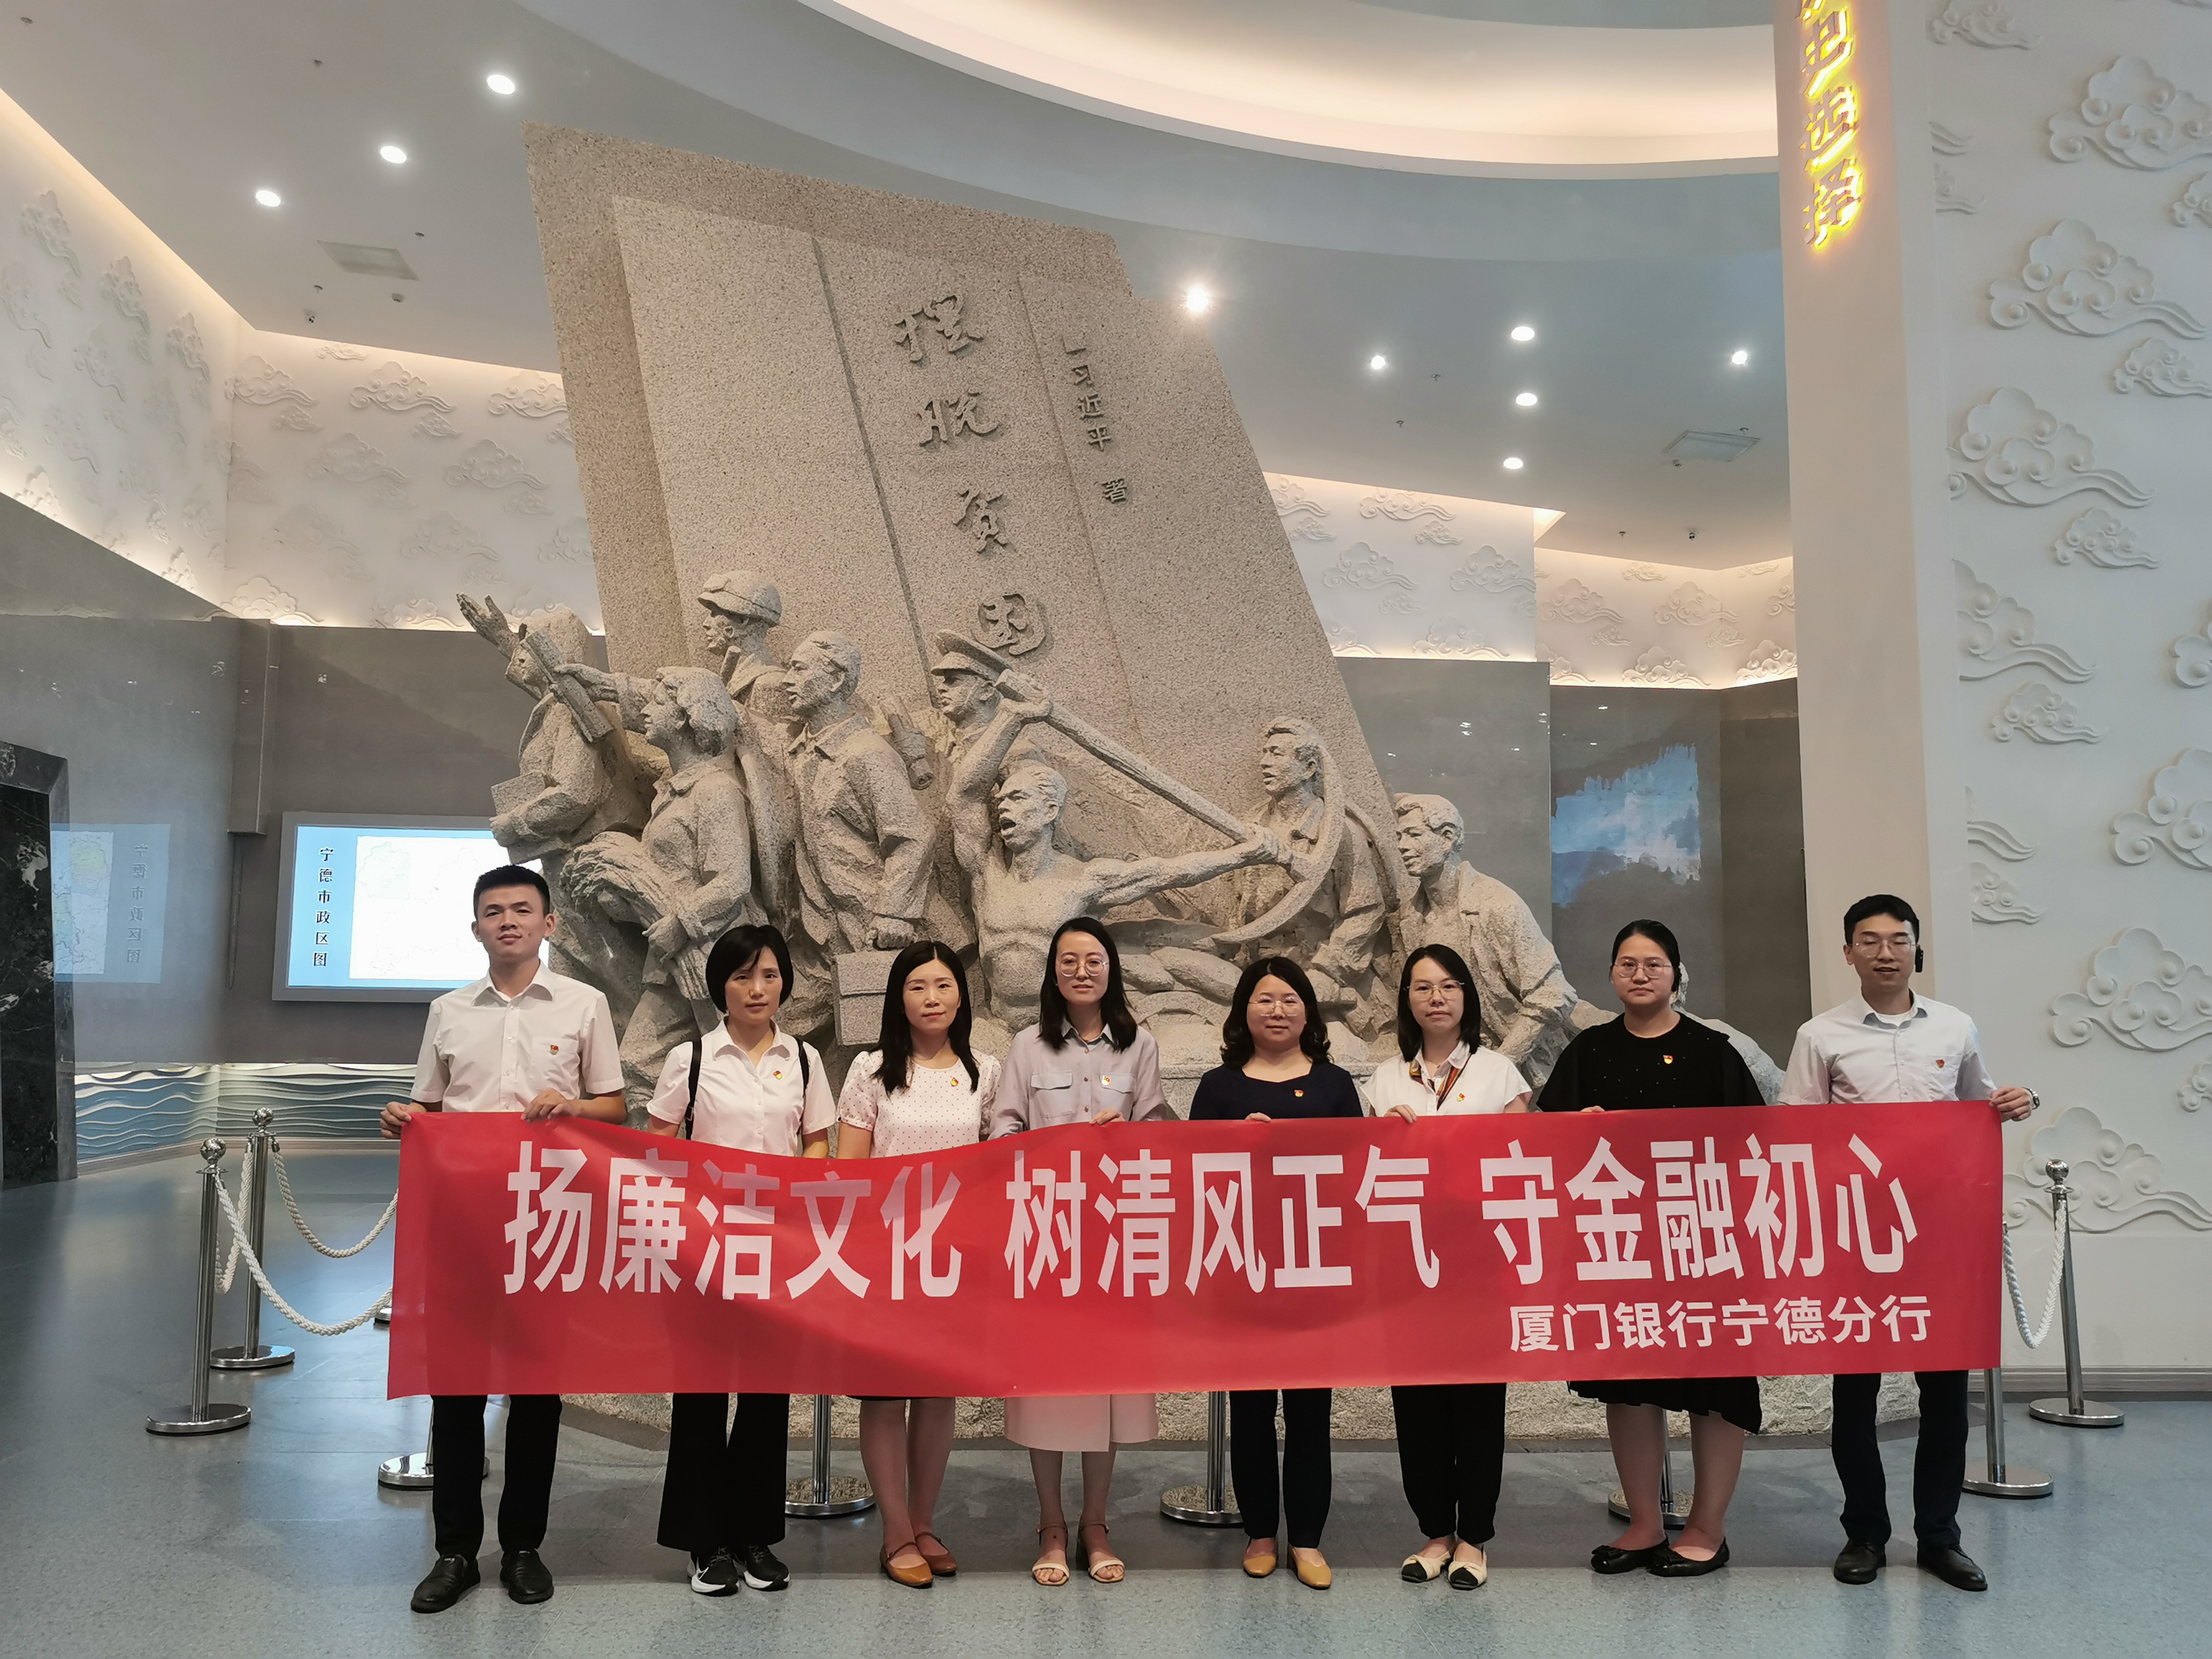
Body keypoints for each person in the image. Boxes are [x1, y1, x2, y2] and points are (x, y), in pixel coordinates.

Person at [379, 866, 626, 1615]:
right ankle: (455, 1551)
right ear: (476, 927)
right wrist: (403, 1119)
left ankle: (523, 1546)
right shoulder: (448, 1011)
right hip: (462, 1221)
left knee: (537, 1390)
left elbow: (615, 1106)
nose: (508, 921)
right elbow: (427, 1108)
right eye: (494, 912)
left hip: (546, 1221)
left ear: (549, 924)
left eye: (522, 909)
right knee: (455, 1388)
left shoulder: (583, 1004)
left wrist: (573, 1106)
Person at [1782, 894, 2038, 1594]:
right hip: (1857, 1236)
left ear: (1916, 948)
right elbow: (1796, 1132)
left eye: (1899, 939)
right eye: (1869, 940)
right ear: (1848, 953)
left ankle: (1939, 1538)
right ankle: (1865, 1532)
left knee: (1946, 1395)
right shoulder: (1820, 1035)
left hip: (1941, 1235)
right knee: (1855, 1394)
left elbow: (1979, 1106)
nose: (1886, 952)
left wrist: (2016, 1102)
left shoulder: (1955, 1027)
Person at [1537, 919, 1762, 1579]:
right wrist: (1575, 1132)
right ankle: (1643, 1523)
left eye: (1654, 964)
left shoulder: (1713, 1050)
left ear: (1676, 974)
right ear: (1612, 974)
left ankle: (1707, 1528)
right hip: (1622, 1246)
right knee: (1630, 1384)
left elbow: (1755, 1143)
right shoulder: (1590, 1051)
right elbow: (1547, 1143)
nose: (1640, 974)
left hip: (1706, 1243)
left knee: (1716, 1385)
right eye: (1628, 964)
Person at [642, 923, 834, 1598]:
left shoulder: (804, 1058)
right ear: (719, 985)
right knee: (700, 1394)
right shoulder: (691, 1058)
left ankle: (755, 1537)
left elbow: (818, 1142)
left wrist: (789, 1193)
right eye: (742, 976)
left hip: (776, 1252)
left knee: (765, 1399)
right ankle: (704, 1542)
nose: (758, 989)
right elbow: (659, 1146)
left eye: (770, 975)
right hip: (702, 1250)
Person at [991, 917, 1172, 1587]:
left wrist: (1127, 1133)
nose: (1081, 971)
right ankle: (1051, 1525)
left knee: (1108, 1388)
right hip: (1047, 1236)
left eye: (1093, 960)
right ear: (1053, 972)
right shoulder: (1028, 1046)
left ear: (1111, 969)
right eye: (1068, 961)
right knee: (1048, 1387)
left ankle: (1096, 1524)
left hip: (1115, 1237)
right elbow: (1004, 1132)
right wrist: (1047, 1147)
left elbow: (1159, 1131)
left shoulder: (1140, 1044)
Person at [1187, 956, 1364, 1590]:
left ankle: (1307, 1539)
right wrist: (1235, 1144)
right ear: (1243, 1012)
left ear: (1308, 1011)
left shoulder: (1335, 1085)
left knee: (1312, 1414)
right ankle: (1261, 1533)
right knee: (1252, 1411)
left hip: (1315, 1272)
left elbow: (1361, 1173)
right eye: (1264, 999)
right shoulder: (1218, 1087)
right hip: (1244, 1270)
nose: (1278, 1010)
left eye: (1290, 999)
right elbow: (1190, 1175)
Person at [834, 940, 1001, 1589]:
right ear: (898, 998)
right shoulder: (872, 1070)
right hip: (884, 1258)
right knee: (884, 1398)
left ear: (961, 996)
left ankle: (925, 1524)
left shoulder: (986, 1072)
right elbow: (849, 1171)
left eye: (943, 985)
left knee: (937, 1394)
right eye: (917, 987)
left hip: (954, 1261)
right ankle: (895, 1532)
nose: (932, 998)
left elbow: (998, 1165)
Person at [1365, 945, 1529, 1590]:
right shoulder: (1383, 1080)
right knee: (1418, 1405)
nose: (1437, 998)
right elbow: (1361, 1176)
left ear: (1467, 998)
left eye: (1450, 986)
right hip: (1405, 1266)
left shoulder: (1500, 1074)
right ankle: (1435, 1532)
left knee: (1478, 1404)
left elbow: (1520, 1164)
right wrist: (1381, 1132)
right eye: (1423, 987)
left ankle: (1475, 1538)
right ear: (1406, 999)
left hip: (1479, 1265)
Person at [1393, 793, 1590, 1085]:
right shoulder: (1410, 917)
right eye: (1399, 836)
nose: (1402, 845)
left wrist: (1503, 1062)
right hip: (1449, 1072)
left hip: (1528, 1074)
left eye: (1414, 834)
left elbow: (1553, 993)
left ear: (1447, 838)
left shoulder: (1496, 905)